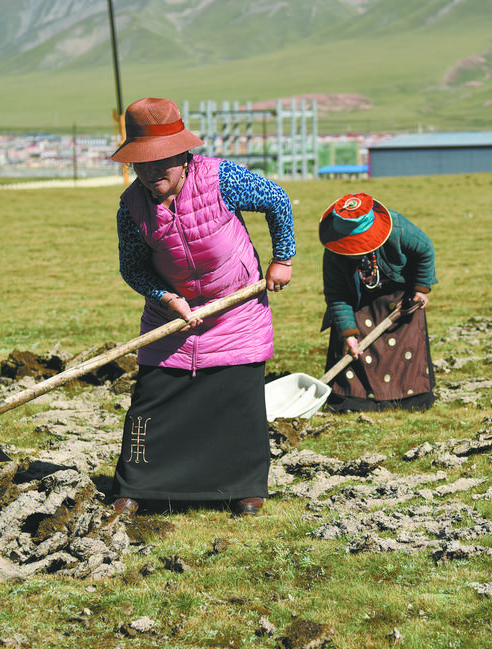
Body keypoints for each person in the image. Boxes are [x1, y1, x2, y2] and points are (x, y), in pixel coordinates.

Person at [108, 97, 295, 517]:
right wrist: (166, 297)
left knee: (236, 402)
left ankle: (243, 488)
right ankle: (136, 485)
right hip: (171, 318)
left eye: (161, 161)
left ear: (183, 155)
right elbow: (132, 268)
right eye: (141, 163)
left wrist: (282, 258)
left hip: (235, 311)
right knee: (152, 401)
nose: (151, 172)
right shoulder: (132, 206)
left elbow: (277, 199)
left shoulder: (219, 178)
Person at [319, 192, 437, 413]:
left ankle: (410, 397)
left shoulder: (398, 228)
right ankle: (356, 400)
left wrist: (420, 289)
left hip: (400, 295)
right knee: (350, 336)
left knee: (407, 341)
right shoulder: (334, 251)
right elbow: (337, 295)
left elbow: (425, 249)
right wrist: (348, 334)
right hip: (358, 299)